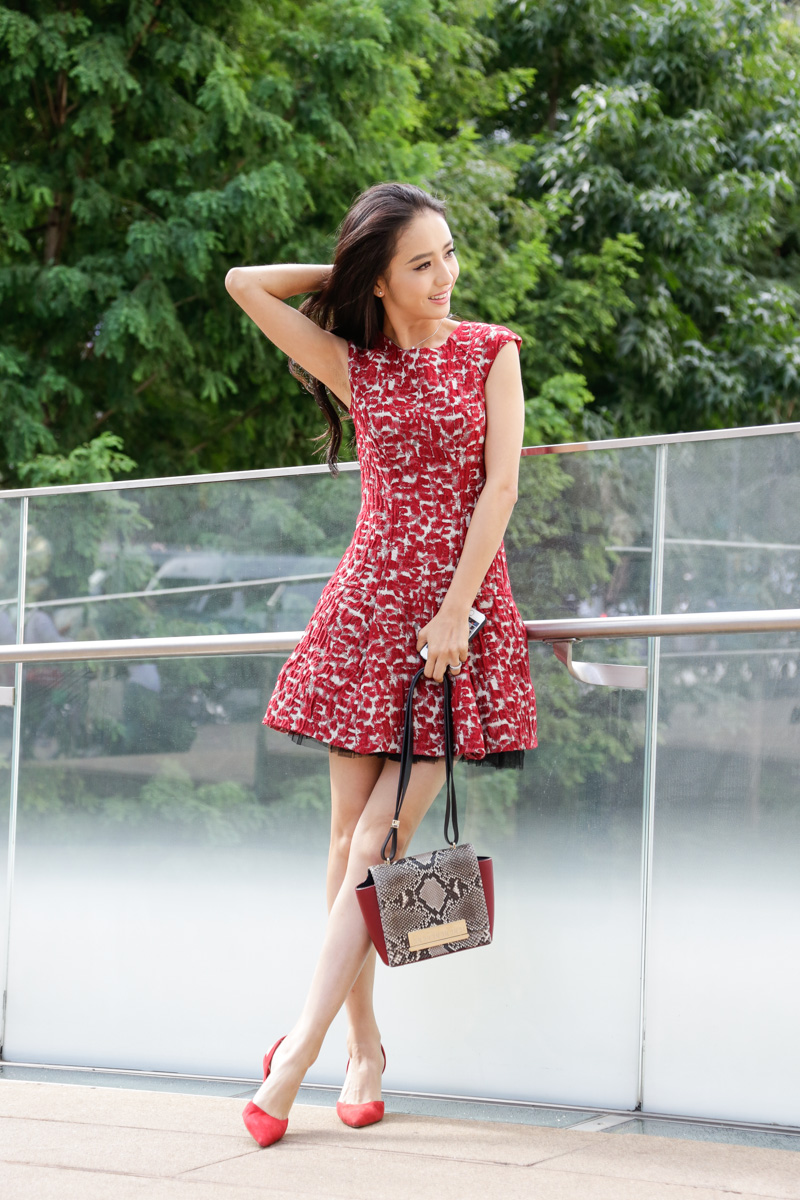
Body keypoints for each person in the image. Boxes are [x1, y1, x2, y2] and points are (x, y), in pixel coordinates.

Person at [225, 181, 537, 1148]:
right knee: (342, 842)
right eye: (421, 263)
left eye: (449, 254)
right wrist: (348, 270)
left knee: (377, 839)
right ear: (381, 279)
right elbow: (244, 283)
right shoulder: (357, 363)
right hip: (366, 611)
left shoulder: (490, 351)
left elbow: (500, 487)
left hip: (453, 623)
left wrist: (453, 614)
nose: (446, 276)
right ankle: (363, 1047)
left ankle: (295, 1055)